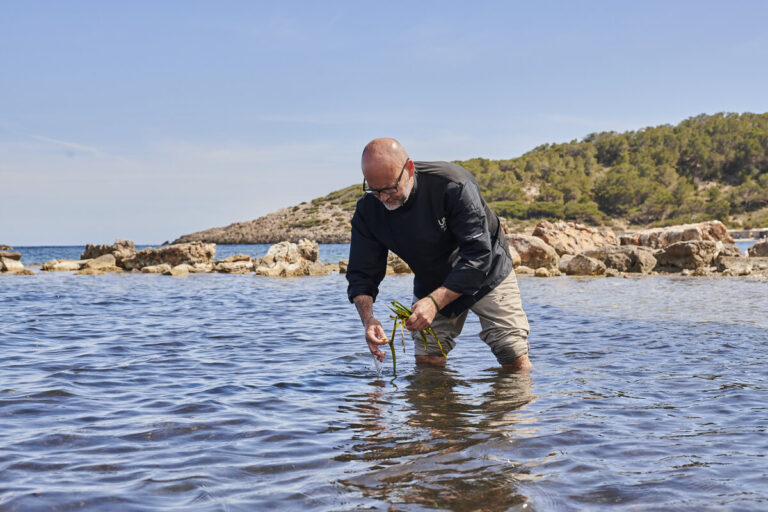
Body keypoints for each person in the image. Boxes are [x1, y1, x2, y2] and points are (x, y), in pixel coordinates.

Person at [346, 138, 531, 371]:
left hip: (487, 272)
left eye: (390, 189)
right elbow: (362, 273)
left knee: (511, 354)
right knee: (428, 361)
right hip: (433, 279)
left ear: (409, 169)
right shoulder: (368, 210)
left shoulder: (453, 185)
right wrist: (368, 320)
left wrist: (434, 303)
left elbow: (478, 255)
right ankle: (438, 407)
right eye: (375, 190)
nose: (383, 198)